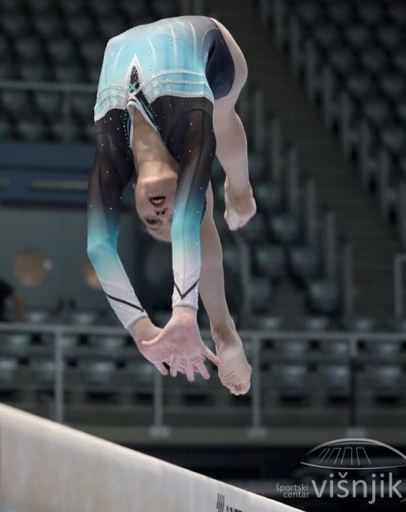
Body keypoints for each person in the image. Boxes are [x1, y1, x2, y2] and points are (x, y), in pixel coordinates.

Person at [87, 16, 254, 393]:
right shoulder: (190, 128)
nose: (163, 215)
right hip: (214, 54)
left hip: (179, 47)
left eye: (151, 221)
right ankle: (224, 330)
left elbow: (98, 247)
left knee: (222, 121)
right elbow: (188, 225)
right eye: (170, 219)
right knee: (221, 115)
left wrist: (142, 331)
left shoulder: (112, 152)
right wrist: (183, 314)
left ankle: (240, 191)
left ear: (134, 197)